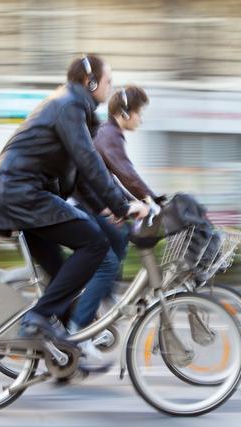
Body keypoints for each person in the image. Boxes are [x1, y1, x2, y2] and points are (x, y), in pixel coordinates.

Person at [0, 55, 150, 353]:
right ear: (90, 82)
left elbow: (83, 177)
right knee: (95, 244)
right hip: (22, 194)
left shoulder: (78, 110)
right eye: (109, 81)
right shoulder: (70, 106)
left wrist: (121, 203)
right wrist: (122, 207)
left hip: (22, 195)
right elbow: (89, 162)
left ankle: (64, 356)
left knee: (60, 275)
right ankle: (37, 319)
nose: (111, 87)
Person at [68, 86, 159, 346]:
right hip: (86, 205)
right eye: (139, 113)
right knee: (108, 259)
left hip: (91, 203)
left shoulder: (108, 133)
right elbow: (124, 172)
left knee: (121, 237)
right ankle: (79, 329)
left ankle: (105, 296)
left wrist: (130, 204)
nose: (141, 119)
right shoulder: (110, 135)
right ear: (125, 113)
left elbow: (110, 182)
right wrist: (151, 199)